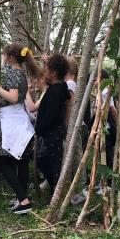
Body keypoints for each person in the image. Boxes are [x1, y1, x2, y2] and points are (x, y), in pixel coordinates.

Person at [0, 43, 41, 214]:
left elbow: (14, 98)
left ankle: (24, 201)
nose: (2, 58)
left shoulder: (12, 72)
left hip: (12, 125)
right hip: (19, 122)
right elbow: (11, 102)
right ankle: (22, 199)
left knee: (2, 161)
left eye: (3, 55)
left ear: (10, 58)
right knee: (20, 163)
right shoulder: (20, 73)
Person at [35, 54, 70, 198]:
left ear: (53, 73)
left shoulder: (57, 91)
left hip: (53, 133)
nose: (44, 74)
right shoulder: (57, 87)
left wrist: (39, 128)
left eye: (46, 70)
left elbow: (51, 115)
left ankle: (56, 193)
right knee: (43, 159)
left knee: (54, 162)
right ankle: (54, 190)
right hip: (49, 133)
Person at [65, 57, 88, 205]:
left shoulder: (70, 83)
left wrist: (69, 124)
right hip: (76, 124)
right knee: (74, 154)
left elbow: (71, 105)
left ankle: (80, 188)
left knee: (77, 154)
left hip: (74, 125)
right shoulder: (72, 83)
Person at [93, 69, 118, 169]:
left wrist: (118, 125)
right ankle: (106, 178)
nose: (93, 81)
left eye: (95, 79)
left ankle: (107, 179)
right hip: (103, 125)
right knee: (105, 152)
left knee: (106, 153)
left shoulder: (104, 92)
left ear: (102, 80)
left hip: (106, 127)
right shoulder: (101, 92)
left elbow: (113, 110)